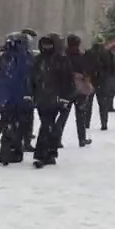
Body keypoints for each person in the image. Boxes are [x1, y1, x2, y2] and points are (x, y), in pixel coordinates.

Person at [31, 34, 74, 168]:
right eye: (44, 44)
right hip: (42, 98)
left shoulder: (61, 60)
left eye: (49, 44)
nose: (46, 47)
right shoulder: (39, 60)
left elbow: (67, 81)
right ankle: (47, 153)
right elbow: (32, 79)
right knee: (46, 126)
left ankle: (45, 153)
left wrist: (65, 97)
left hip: (55, 98)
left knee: (49, 126)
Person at [0, 33, 34, 165]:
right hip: (18, 97)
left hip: (11, 97)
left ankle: (11, 150)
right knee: (14, 124)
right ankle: (9, 151)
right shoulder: (23, 58)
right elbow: (26, 78)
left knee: (9, 123)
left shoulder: (7, 57)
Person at [64, 34, 93, 148]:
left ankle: (57, 138)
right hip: (80, 88)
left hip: (66, 89)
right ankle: (82, 138)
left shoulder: (64, 56)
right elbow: (86, 70)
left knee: (63, 115)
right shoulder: (81, 56)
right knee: (81, 115)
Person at [85, 36, 115, 131]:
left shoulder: (88, 53)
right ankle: (104, 123)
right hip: (103, 81)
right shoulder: (108, 53)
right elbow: (114, 67)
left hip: (91, 80)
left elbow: (84, 66)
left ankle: (86, 123)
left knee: (88, 104)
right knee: (103, 104)